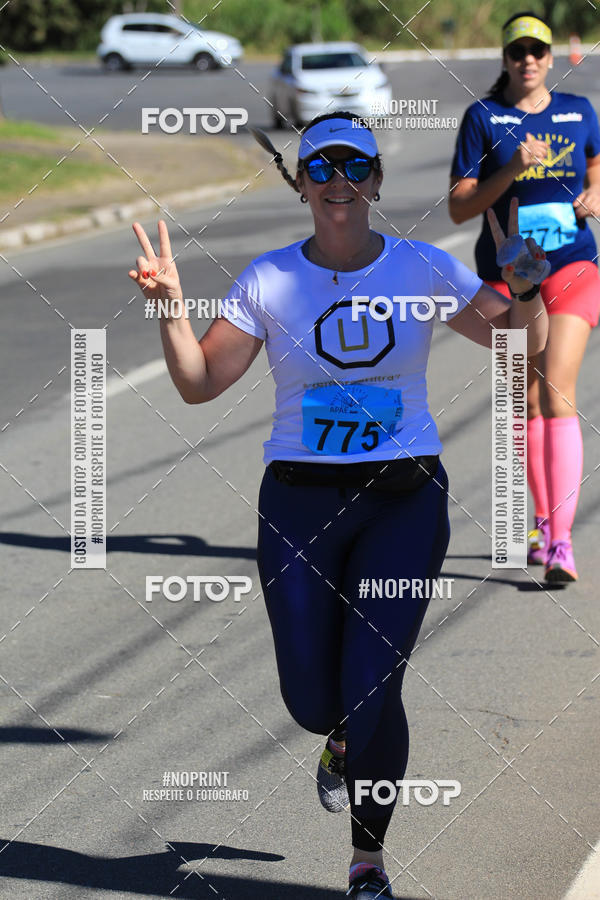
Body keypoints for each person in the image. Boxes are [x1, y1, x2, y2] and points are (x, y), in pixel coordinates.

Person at [129, 112, 547, 898]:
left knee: (372, 685)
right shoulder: (269, 279)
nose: (339, 181)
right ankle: (340, 740)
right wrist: (169, 308)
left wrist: (526, 286)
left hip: (403, 501)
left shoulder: (421, 267)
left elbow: (518, 344)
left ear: (377, 180)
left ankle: (367, 864)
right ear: (301, 185)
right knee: (314, 702)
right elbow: (199, 383)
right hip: (297, 506)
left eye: (355, 166)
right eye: (321, 168)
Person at [449, 11, 600, 583]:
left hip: (573, 264)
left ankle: (560, 543)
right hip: (508, 277)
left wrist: (595, 191)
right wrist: (511, 167)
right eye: (518, 52)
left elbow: (597, 163)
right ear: (506, 59)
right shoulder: (483, 118)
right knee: (528, 402)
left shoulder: (578, 111)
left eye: (537, 51)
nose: (528, 60)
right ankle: (541, 521)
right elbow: (459, 207)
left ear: (550, 57)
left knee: (558, 391)